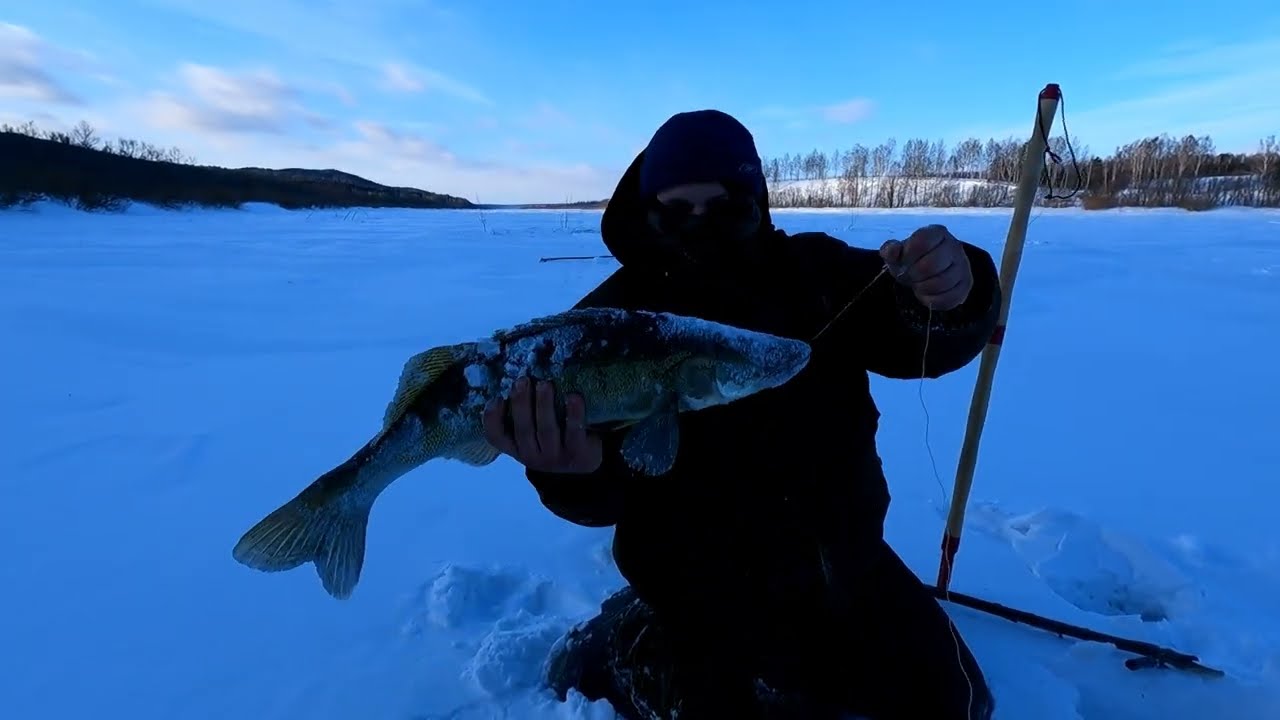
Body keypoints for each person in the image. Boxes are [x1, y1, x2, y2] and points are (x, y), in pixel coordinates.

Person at [481, 109, 1001, 719]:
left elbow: (919, 332)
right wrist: (566, 471)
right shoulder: (606, 326)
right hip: (694, 588)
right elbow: (600, 500)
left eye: (724, 207)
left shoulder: (819, 273)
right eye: (676, 211)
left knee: (957, 702)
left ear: (756, 200)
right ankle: (632, 637)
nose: (700, 228)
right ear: (648, 211)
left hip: (843, 567)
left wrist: (954, 285)